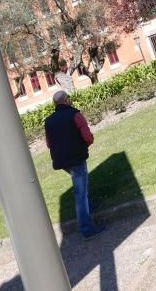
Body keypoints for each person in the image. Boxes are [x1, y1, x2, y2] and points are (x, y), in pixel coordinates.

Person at [44, 90, 104, 239]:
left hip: (61, 161)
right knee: (80, 193)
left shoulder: (48, 121)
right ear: (67, 100)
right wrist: (83, 145)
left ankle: (89, 205)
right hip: (76, 158)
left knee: (80, 185)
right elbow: (87, 137)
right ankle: (87, 229)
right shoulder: (75, 114)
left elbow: (49, 144)